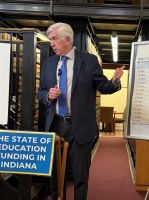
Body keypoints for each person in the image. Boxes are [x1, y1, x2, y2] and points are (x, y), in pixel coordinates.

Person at [37, 22, 124, 200]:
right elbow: (41, 92)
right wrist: (48, 95)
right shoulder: (48, 63)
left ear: (67, 39)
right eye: (50, 39)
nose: (51, 43)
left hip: (81, 127)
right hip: (56, 124)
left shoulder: (89, 61)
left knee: (80, 174)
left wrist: (114, 80)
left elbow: (104, 86)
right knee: (54, 173)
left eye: (54, 39)